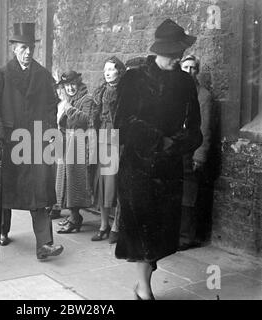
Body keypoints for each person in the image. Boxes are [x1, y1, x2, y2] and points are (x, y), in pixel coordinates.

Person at [114, 19, 202, 300]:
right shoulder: (134, 78)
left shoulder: (186, 82)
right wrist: (158, 140)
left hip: (168, 170)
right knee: (142, 231)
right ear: (159, 51)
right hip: (137, 168)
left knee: (158, 234)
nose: (177, 60)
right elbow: (123, 121)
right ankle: (144, 289)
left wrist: (179, 144)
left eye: (179, 55)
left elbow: (196, 128)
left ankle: (143, 284)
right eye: (172, 55)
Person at [0, 23, 64, 258]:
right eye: (23, 48)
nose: (28, 52)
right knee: (5, 190)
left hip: (34, 143)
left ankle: (44, 244)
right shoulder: (1, 74)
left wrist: (49, 133)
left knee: (39, 191)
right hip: (8, 142)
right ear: (14, 49)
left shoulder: (42, 75)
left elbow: (52, 107)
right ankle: (2, 230)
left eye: (31, 48)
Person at [179, 55, 215, 251]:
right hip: (177, 152)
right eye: (185, 67)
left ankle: (187, 237)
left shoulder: (204, 96)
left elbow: (205, 129)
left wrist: (199, 157)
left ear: (197, 71)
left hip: (191, 154)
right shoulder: (176, 93)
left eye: (193, 68)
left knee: (189, 198)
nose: (189, 71)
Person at [54, 71, 96, 234]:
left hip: (80, 144)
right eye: (66, 85)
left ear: (78, 84)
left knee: (75, 183)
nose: (70, 88)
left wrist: (69, 108)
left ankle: (75, 218)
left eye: (73, 84)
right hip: (69, 143)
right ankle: (73, 216)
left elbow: (85, 120)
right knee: (66, 182)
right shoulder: (70, 100)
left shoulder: (87, 99)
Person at [92, 56, 126, 242]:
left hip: (117, 138)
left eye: (111, 69)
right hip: (102, 137)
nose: (107, 72)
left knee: (116, 182)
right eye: (105, 69)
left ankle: (116, 226)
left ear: (119, 71)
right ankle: (103, 224)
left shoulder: (125, 93)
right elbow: (94, 118)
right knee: (102, 183)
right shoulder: (99, 92)